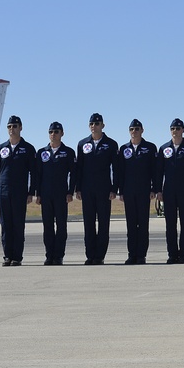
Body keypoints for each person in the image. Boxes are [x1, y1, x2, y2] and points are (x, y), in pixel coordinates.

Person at [0, 115, 37, 266]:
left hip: (20, 192)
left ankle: (17, 257)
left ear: (21, 128)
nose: (12, 129)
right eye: (9, 126)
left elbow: (34, 172)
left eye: (15, 126)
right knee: (6, 225)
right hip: (3, 191)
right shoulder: (0, 149)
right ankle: (7, 256)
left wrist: (31, 192)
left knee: (18, 224)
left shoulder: (28, 149)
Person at [155, 118, 184, 264]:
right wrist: (158, 191)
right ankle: (172, 254)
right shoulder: (164, 149)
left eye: (178, 128)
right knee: (170, 224)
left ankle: (183, 254)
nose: (175, 131)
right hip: (168, 191)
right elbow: (158, 172)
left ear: (183, 130)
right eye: (173, 128)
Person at [74, 113, 118, 265]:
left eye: (97, 123)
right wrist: (77, 188)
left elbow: (116, 169)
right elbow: (79, 168)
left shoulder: (111, 144)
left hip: (104, 190)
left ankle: (100, 255)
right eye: (92, 123)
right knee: (89, 223)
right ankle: (90, 254)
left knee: (103, 223)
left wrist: (114, 189)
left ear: (103, 126)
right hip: (87, 189)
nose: (94, 126)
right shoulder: (82, 144)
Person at [115, 119, 158, 265]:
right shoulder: (123, 149)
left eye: (137, 129)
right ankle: (131, 254)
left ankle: (141, 255)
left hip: (144, 191)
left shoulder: (150, 148)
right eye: (132, 129)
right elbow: (120, 171)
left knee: (143, 224)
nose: (134, 131)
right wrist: (120, 191)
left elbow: (155, 171)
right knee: (131, 224)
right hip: (128, 191)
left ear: (142, 130)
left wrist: (154, 189)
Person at [34, 121, 75, 265]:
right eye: (51, 132)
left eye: (56, 132)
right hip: (45, 195)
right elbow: (37, 175)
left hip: (61, 195)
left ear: (62, 134)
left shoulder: (68, 152)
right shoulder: (41, 152)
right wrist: (37, 194)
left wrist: (71, 191)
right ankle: (49, 255)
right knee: (48, 226)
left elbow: (74, 174)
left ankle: (59, 255)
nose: (53, 134)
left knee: (61, 226)